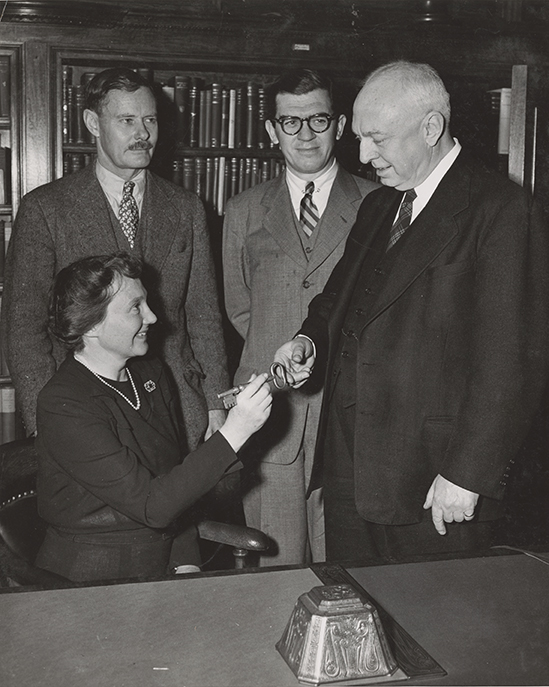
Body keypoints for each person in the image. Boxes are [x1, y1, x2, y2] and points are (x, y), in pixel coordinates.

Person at [274, 61, 549, 563]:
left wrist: (468, 473)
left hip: (433, 481)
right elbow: (336, 301)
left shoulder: (501, 209)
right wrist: (309, 339)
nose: (362, 155)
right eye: (358, 138)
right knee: (353, 620)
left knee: (430, 633)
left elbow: (511, 359)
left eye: (377, 138)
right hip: (350, 467)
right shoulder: (380, 206)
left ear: (431, 128)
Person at [1, 67, 228, 451]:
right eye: (127, 120)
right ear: (93, 122)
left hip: (177, 405)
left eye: (150, 120)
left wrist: (217, 401)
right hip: (84, 409)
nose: (142, 134)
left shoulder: (187, 208)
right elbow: (25, 324)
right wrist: (46, 416)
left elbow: (203, 313)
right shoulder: (45, 208)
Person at [35, 253, 272, 582]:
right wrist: (235, 432)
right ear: (90, 325)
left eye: (147, 303)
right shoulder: (64, 404)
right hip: (88, 577)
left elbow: (175, 483)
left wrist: (186, 561)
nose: (152, 317)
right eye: (136, 307)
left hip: (161, 562)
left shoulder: (150, 373)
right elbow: (153, 505)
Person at [222, 68, 378, 565]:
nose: (306, 134)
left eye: (318, 119)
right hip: (271, 412)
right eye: (291, 123)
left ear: (340, 124)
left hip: (350, 410)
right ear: (272, 131)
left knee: (349, 570)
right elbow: (239, 305)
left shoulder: (378, 203)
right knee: (274, 564)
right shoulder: (243, 210)